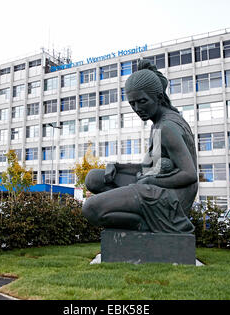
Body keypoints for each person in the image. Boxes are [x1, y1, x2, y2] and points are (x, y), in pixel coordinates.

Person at [82, 59, 198, 233]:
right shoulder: (158, 124)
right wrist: (119, 167)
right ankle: (145, 217)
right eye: (132, 103)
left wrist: (151, 180)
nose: (137, 108)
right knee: (93, 178)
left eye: (142, 101)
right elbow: (150, 167)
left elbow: (190, 175)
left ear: (158, 97)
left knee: (90, 208)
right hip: (155, 184)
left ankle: (145, 224)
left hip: (169, 198)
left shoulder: (166, 127)